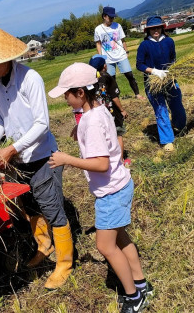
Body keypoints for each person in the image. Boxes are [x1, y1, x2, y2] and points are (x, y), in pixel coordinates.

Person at [0, 20, 74, 290]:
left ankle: (65, 263)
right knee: (30, 206)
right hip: (18, 161)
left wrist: (12, 148)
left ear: (7, 58)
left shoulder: (30, 78)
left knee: (52, 208)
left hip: (43, 156)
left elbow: (42, 124)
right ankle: (44, 248)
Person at [47, 62, 152, 313]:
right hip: (120, 184)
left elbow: (101, 164)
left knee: (105, 246)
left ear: (81, 92)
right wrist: (80, 129)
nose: (64, 97)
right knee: (121, 238)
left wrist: (67, 159)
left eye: (67, 93)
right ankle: (141, 283)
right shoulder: (99, 108)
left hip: (111, 193)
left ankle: (133, 296)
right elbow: (104, 135)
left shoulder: (91, 121)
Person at [136, 16, 186, 152]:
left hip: (169, 79)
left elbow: (173, 58)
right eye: (152, 29)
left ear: (162, 28)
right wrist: (154, 71)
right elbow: (139, 65)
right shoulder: (144, 45)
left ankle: (180, 127)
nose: (155, 30)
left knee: (177, 104)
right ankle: (168, 140)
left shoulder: (169, 41)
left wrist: (172, 70)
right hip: (153, 83)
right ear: (148, 30)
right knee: (161, 109)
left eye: (157, 27)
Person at [94, 6, 144, 100]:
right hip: (107, 58)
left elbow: (123, 40)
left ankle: (137, 94)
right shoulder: (98, 29)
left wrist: (126, 50)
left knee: (129, 75)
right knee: (111, 79)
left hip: (121, 55)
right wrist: (101, 58)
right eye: (110, 17)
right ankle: (114, 98)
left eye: (113, 17)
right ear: (104, 16)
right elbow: (98, 44)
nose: (112, 19)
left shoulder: (117, 26)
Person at [89, 54, 130, 165]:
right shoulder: (107, 77)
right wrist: (122, 110)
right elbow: (114, 97)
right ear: (105, 66)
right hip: (111, 112)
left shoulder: (90, 79)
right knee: (118, 136)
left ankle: (109, 160)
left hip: (98, 112)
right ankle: (121, 161)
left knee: (104, 137)